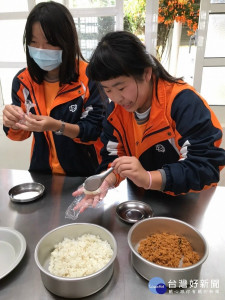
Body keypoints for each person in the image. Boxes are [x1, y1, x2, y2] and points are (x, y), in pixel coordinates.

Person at [72, 30, 225, 212]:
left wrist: (149, 178)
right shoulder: (116, 111)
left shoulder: (182, 103)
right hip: (142, 200)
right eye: (108, 90)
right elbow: (113, 156)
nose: (117, 97)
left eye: (121, 87)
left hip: (188, 202)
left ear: (146, 73)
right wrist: (107, 179)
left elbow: (204, 166)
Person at [3, 1, 106, 176]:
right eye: (34, 42)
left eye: (50, 42)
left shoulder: (89, 77)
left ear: (67, 41)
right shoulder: (23, 81)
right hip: (42, 173)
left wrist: (58, 126)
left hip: (84, 174)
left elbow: (95, 131)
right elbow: (19, 135)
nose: (41, 50)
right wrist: (11, 120)